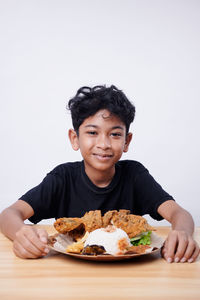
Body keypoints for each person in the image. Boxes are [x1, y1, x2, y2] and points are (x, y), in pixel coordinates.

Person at [0, 85, 199, 262]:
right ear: (74, 138)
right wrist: (20, 233)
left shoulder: (135, 176)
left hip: (130, 276)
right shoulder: (63, 178)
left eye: (114, 134)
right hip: (70, 277)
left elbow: (179, 213)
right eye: (92, 133)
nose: (103, 144)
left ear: (127, 141)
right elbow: (9, 214)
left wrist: (181, 232)